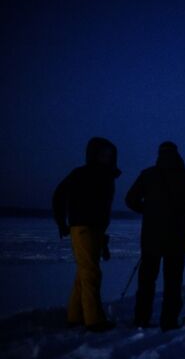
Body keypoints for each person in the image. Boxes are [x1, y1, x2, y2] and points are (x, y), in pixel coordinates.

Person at [125, 142, 185, 331]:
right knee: (173, 282)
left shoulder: (148, 175)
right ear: (177, 154)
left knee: (146, 281)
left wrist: (148, 211)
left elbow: (130, 200)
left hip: (151, 237)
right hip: (176, 238)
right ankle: (168, 322)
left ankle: (141, 319)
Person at [52, 137, 121, 332]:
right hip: (83, 228)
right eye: (102, 154)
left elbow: (101, 208)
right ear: (93, 154)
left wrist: (103, 240)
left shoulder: (107, 176)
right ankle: (94, 320)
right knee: (91, 273)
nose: (106, 158)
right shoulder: (81, 173)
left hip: (96, 230)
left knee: (84, 272)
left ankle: (75, 315)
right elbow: (59, 195)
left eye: (109, 155)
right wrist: (61, 222)